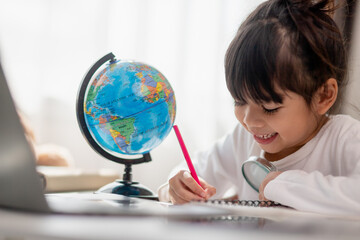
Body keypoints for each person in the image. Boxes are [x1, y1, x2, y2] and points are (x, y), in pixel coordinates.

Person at [158, 0, 360, 216]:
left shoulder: (345, 138)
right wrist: (178, 187)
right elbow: (183, 176)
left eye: (270, 107)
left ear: (323, 96)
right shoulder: (242, 140)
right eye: (239, 101)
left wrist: (285, 185)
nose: (249, 121)